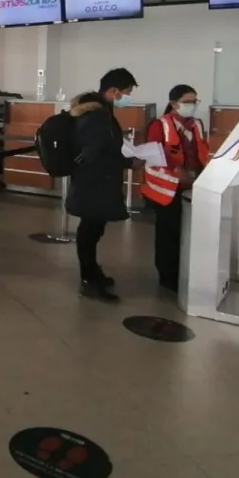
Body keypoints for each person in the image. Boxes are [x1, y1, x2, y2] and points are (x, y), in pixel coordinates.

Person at [66, 68, 140, 303]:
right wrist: (128, 162)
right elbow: (94, 154)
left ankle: (93, 273)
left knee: (93, 230)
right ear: (112, 91)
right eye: (126, 92)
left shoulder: (100, 112)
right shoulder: (97, 116)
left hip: (96, 183)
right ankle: (88, 280)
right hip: (94, 185)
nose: (127, 97)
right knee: (89, 232)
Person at [142, 84, 209, 292]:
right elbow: (154, 155)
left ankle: (185, 272)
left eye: (194, 101)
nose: (192, 106)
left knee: (187, 233)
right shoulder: (159, 125)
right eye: (187, 102)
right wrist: (176, 170)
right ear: (173, 103)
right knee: (168, 233)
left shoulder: (196, 124)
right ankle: (167, 276)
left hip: (192, 186)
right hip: (167, 189)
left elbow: (201, 152)